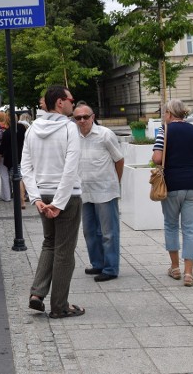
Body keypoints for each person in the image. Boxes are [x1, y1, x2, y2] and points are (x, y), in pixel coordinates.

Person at [22, 85, 85, 319]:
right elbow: (71, 167)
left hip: (43, 194)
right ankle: (59, 305)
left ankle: (37, 294)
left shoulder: (32, 129)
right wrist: (59, 202)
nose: (73, 103)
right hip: (66, 196)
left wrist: (36, 198)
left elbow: (25, 168)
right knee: (64, 251)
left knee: (50, 243)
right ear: (60, 102)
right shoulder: (70, 128)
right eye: (70, 99)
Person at [152, 99, 193, 288]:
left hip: (172, 184)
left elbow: (157, 158)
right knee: (190, 228)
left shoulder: (165, 131)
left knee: (170, 225)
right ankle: (189, 273)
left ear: (169, 113)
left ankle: (175, 267)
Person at [73, 103, 124, 282]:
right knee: (89, 231)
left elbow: (119, 159)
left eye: (85, 117)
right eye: (77, 118)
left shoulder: (105, 134)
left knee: (109, 232)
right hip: (84, 191)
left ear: (92, 117)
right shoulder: (73, 136)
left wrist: (115, 183)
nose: (82, 121)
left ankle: (110, 268)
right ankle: (98, 263)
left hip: (105, 190)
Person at [0, 110, 25, 205]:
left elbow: (2, 148)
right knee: (21, 177)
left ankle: (21, 200)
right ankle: (22, 198)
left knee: (17, 178)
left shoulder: (7, 133)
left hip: (12, 158)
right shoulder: (22, 128)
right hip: (23, 156)